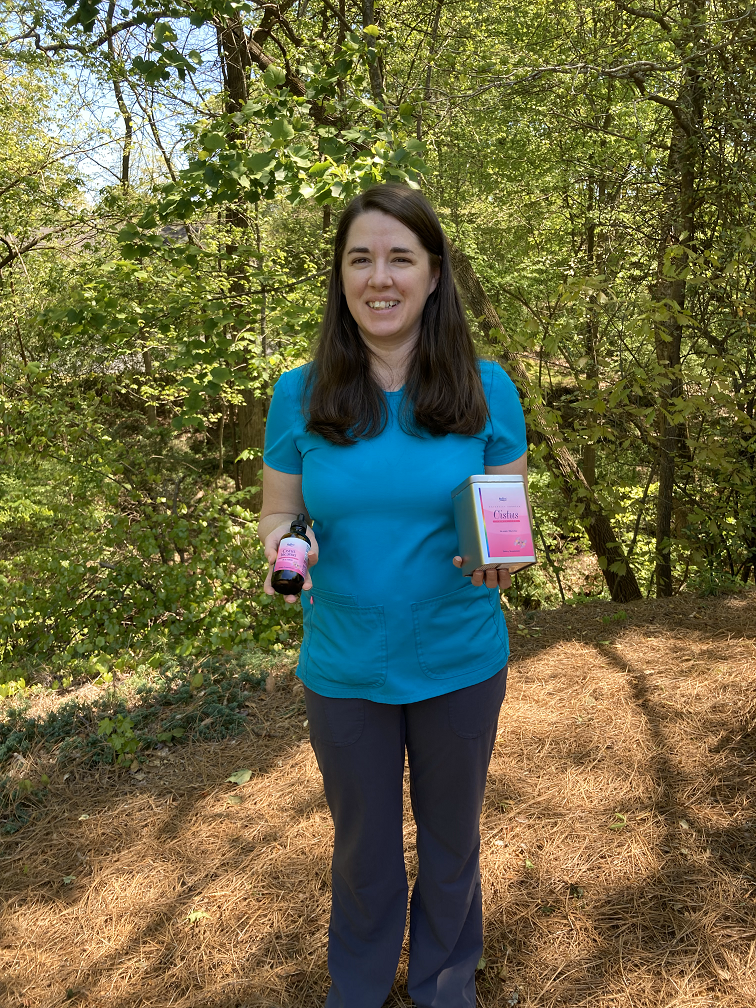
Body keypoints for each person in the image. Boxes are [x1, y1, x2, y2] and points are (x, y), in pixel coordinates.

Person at [259, 184, 528, 1008]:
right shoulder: (298, 392)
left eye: (399, 258)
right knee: (363, 847)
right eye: (360, 259)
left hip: (460, 657)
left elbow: (507, 517)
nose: (380, 277)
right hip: (343, 666)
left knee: (451, 843)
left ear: (434, 274)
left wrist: (504, 555)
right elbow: (277, 510)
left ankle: (447, 986)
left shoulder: (488, 389)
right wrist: (285, 546)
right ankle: (361, 987)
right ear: (341, 278)